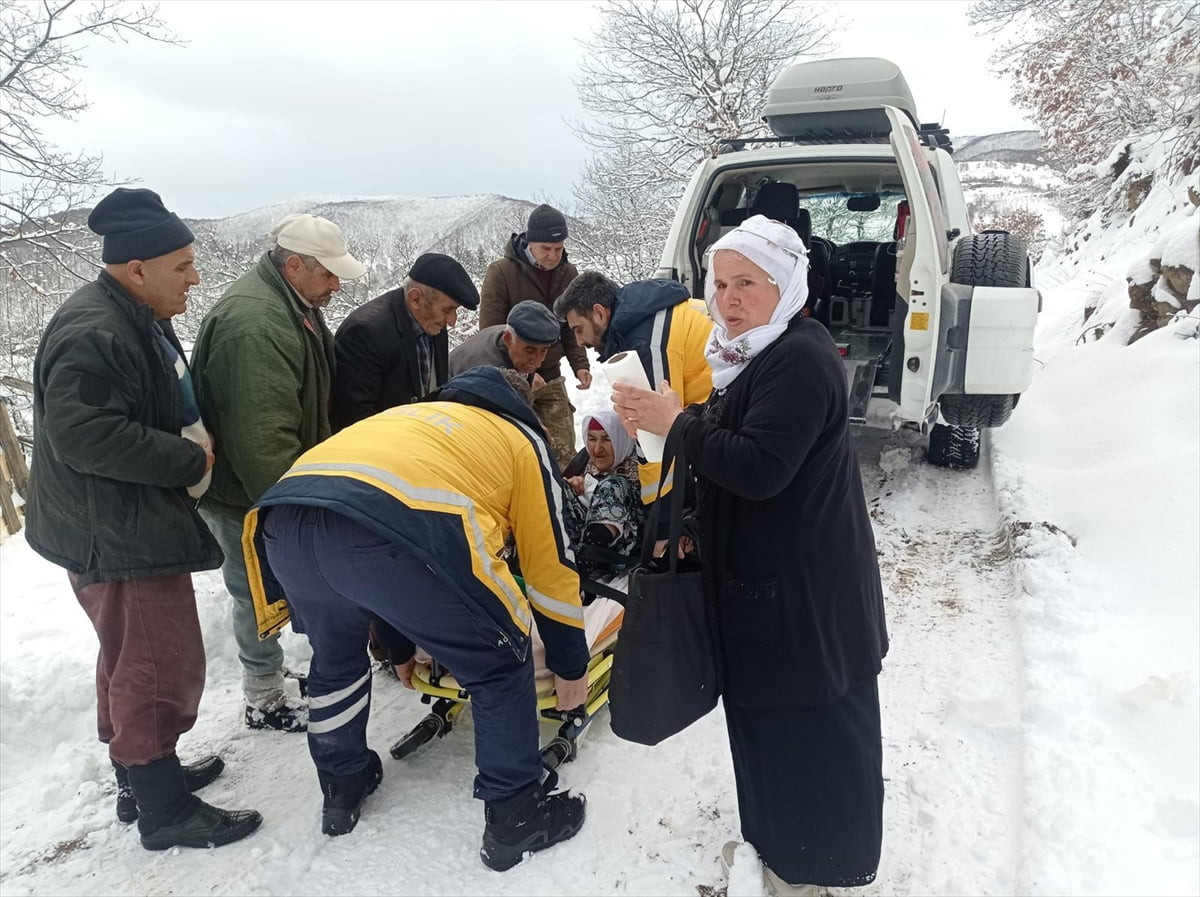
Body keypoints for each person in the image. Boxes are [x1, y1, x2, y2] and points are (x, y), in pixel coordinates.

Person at [610, 215, 889, 895]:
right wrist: (689, 450)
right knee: (769, 731)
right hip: (771, 593)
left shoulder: (798, 359)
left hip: (804, 600)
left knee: (807, 735)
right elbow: (735, 443)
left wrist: (674, 424)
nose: (729, 298)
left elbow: (761, 466)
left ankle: (809, 873)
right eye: (720, 282)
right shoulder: (755, 352)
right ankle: (779, 853)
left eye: (747, 283)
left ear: (786, 286)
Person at [242, 366, 589, 869]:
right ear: (521, 408)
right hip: (388, 530)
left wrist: (400, 649)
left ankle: (343, 784)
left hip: (285, 520)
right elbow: (549, 565)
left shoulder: (411, 415)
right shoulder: (519, 439)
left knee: (336, 661)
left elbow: (374, 542)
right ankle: (517, 819)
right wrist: (569, 663)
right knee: (499, 658)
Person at [24, 187, 262, 850]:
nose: (195, 276)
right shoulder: (94, 331)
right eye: (182, 265)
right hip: (116, 531)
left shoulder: (130, 312)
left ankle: (140, 776)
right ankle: (165, 810)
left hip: (112, 522)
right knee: (158, 664)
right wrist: (187, 460)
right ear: (136, 269)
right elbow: (82, 434)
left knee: (128, 656)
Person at [191, 212, 366, 732]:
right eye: (328, 274)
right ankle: (262, 695)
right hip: (246, 491)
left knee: (269, 586)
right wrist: (293, 510)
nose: (336, 284)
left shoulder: (296, 304)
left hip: (270, 481)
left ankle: (268, 673)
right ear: (294, 265)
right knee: (252, 588)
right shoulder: (257, 326)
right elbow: (261, 437)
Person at [553, 271, 713, 509]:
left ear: (599, 313)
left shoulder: (647, 344)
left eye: (578, 329)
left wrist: (661, 522)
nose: (578, 342)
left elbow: (657, 442)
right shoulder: (646, 317)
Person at [479, 203, 588, 468]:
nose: (553, 256)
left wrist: (580, 365)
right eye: (546, 249)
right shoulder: (501, 272)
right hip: (510, 377)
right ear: (530, 243)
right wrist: (523, 371)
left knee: (563, 453)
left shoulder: (568, 274)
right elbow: (491, 331)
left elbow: (569, 327)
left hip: (550, 374)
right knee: (514, 450)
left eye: (559, 249)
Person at [331, 252, 479, 431]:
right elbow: (355, 416)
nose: (453, 321)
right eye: (448, 310)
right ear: (415, 299)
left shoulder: (433, 323)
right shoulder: (365, 332)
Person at [450, 300, 566, 435]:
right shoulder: (488, 375)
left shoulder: (513, 337)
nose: (538, 361)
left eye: (544, 351)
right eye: (530, 351)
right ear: (508, 339)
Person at [561, 410, 643, 583]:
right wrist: (571, 485)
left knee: (613, 485)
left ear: (621, 439)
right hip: (574, 548)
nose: (597, 449)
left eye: (607, 439)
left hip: (618, 556)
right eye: (591, 439)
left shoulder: (642, 469)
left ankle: (581, 570)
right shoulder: (585, 462)